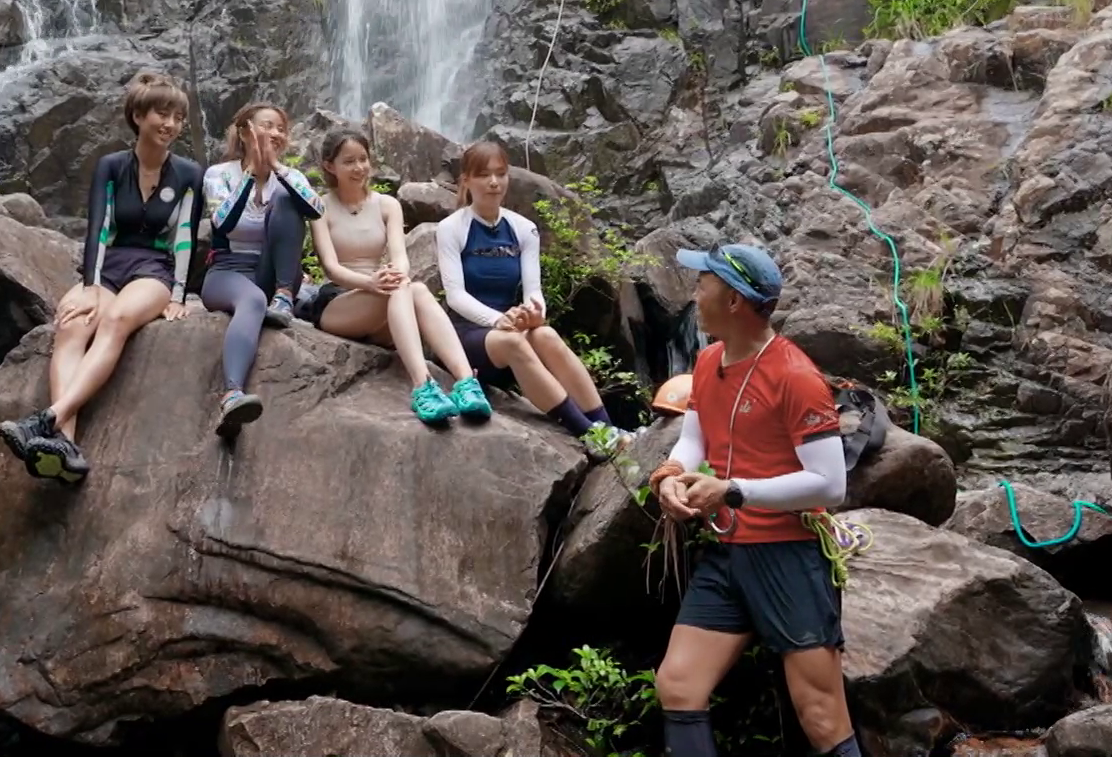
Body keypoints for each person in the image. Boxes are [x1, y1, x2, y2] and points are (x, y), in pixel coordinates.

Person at [648, 243, 864, 757]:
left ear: (734, 302)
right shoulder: (706, 360)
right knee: (678, 684)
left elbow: (830, 485)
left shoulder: (796, 378)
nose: (695, 293)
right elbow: (695, 439)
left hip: (787, 553)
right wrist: (674, 472)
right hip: (728, 553)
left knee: (820, 715)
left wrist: (734, 490)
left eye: (704, 284)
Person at [0, 71, 203, 484]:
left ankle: (47, 420)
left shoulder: (189, 174)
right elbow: (98, 230)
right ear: (138, 116)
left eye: (178, 117)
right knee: (72, 325)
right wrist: (90, 288)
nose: (171, 124)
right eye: (162, 114)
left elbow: (184, 238)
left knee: (115, 321)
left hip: (153, 269)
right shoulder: (111, 166)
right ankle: (64, 446)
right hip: (109, 266)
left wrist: (178, 294)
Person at [434, 139, 621, 458]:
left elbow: (533, 290)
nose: (494, 182)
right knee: (515, 342)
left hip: (509, 333)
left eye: (500, 174)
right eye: (484, 175)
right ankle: (588, 434)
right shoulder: (451, 228)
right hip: (467, 340)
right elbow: (455, 296)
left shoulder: (524, 229)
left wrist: (534, 313)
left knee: (545, 334)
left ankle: (608, 428)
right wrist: (498, 320)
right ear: (466, 180)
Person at [302, 127, 492, 425]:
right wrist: (371, 283)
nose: (359, 167)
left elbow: (400, 257)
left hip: (385, 300)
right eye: (349, 161)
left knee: (412, 288)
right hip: (339, 304)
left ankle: (466, 382)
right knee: (405, 288)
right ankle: (422, 386)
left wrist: (392, 276)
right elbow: (330, 267)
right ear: (329, 166)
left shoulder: (387, 205)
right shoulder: (320, 207)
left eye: (363, 159)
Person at [200, 102, 323, 438]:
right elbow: (221, 222)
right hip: (228, 272)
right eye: (267, 126)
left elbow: (317, 210)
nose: (276, 134)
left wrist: (277, 171)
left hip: (275, 273)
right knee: (253, 300)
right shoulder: (219, 174)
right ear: (245, 132)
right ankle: (232, 393)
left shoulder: (291, 176)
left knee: (287, 199)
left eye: (281, 129)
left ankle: (285, 296)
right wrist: (253, 173)